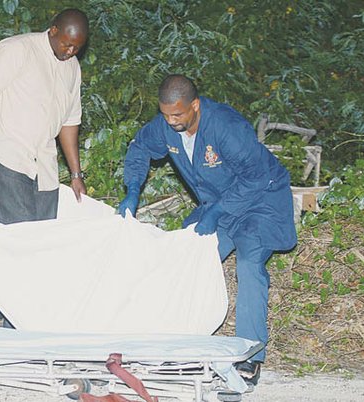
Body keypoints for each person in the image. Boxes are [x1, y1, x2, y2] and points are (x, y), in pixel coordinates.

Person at [119, 74, 297, 387]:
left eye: (178, 114)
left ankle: (249, 355)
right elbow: (140, 148)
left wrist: (216, 212)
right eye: (165, 114)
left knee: (249, 264)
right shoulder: (166, 124)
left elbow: (254, 177)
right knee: (184, 258)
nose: (171, 121)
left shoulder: (226, 127)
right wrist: (133, 188)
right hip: (220, 200)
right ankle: (180, 345)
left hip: (261, 199)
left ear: (195, 106)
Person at [0, 8, 89, 224]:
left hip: (45, 167)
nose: (71, 51)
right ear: (53, 31)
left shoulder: (73, 68)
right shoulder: (18, 49)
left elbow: (70, 123)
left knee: (44, 236)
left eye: (77, 47)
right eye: (67, 44)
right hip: (9, 159)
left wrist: (76, 174)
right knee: (20, 238)